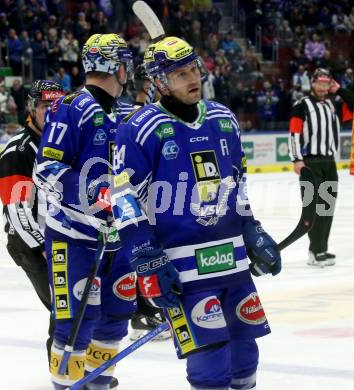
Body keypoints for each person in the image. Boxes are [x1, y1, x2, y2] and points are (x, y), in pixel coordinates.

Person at [112, 36, 281, 390]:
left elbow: (237, 186)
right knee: (210, 366)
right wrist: (146, 258)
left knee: (244, 357)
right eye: (180, 74)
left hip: (231, 260)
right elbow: (122, 199)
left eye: (194, 69)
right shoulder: (138, 129)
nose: (193, 79)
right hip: (181, 268)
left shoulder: (223, 119)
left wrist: (253, 231)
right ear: (159, 82)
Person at [33, 33, 135, 390]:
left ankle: (99, 384)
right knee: (76, 324)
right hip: (74, 237)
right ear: (118, 67)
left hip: (116, 238)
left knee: (115, 320)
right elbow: (45, 169)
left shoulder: (122, 112)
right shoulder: (72, 106)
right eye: (127, 64)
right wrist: (91, 190)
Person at [0, 80, 65, 362]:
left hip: (60, 236)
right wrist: (42, 249)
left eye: (57, 105)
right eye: (46, 105)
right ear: (32, 108)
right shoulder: (18, 151)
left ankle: (71, 363)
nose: (52, 111)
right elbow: (18, 211)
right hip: (30, 244)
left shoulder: (61, 141)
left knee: (72, 303)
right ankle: (63, 367)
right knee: (64, 306)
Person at [288, 68, 354, 266]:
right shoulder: (301, 105)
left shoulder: (332, 105)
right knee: (313, 209)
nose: (323, 86)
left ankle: (321, 249)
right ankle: (315, 250)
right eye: (320, 82)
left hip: (329, 163)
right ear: (312, 83)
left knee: (327, 207)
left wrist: (340, 90)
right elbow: (294, 133)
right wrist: (296, 159)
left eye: (327, 83)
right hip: (310, 163)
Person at [129, 62, 170, 341]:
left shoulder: (161, 115)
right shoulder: (134, 116)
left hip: (161, 196)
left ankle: (150, 307)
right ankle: (139, 314)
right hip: (137, 196)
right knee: (140, 254)